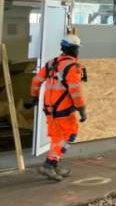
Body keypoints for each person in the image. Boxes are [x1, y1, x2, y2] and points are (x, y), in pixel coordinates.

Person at [26, 33, 87, 181]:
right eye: (77, 48)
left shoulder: (51, 63)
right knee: (70, 135)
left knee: (57, 138)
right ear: (73, 49)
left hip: (50, 108)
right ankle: (49, 164)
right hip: (63, 109)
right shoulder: (73, 66)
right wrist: (82, 110)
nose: (78, 51)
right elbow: (75, 91)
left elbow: (36, 80)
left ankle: (54, 166)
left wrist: (34, 97)